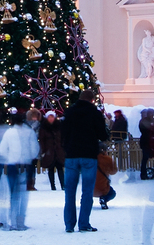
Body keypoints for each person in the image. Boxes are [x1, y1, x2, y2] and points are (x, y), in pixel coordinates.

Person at [62, 89, 109, 233]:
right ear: (92, 100)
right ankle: (84, 224)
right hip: (89, 156)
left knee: (69, 192)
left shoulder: (69, 112)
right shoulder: (95, 114)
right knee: (87, 191)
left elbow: (63, 133)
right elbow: (102, 135)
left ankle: (69, 225)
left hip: (71, 155)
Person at [0, 107, 39, 231]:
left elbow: (2, 149)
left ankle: (11, 220)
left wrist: (9, 157)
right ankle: (20, 221)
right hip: (25, 165)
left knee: (12, 193)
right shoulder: (29, 132)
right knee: (22, 194)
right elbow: (34, 149)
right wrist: (28, 158)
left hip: (12, 165)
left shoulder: (9, 133)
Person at [39, 110, 66, 190]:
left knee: (60, 168)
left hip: (59, 150)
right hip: (49, 150)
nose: (51, 119)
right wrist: (43, 150)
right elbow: (42, 139)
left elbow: (63, 138)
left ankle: (63, 185)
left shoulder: (59, 126)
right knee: (50, 168)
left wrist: (62, 147)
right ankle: (52, 186)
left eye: (52, 117)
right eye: (49, 117)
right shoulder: (43, 127)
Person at [95, 143, 118, 209]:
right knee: (112, 193)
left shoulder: (91, 159)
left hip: (89, 188)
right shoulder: (107, 159)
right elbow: (114, 171)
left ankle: (85, 202)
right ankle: (104, 199)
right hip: (102, 188)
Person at [25, 107, 42, 191]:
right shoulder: (26, 126)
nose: (34, 118)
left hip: (35, 149)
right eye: (33, 116)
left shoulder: (39, 125)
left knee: (32, 167)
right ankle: (28, 184)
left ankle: (31, 183)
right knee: (29, 167)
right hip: (27, 149)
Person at [138, 107, 154, 179]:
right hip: (146, 140)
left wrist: (152, 128)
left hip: (151, 140)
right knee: (145, 158)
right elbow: (142, 129)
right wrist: (150, 128)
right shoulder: (143, 120)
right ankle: (143, 173)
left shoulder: (153, 120)